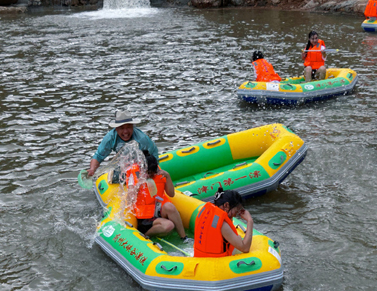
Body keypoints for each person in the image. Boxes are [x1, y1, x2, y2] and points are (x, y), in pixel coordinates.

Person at [130, 151, 190, 243]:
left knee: (170, 207)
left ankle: (184, 238)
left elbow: (171, 194)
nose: (151, 175)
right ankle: (146, 235)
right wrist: (138, 185)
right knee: (169, 225)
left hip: (157, 210)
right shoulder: (135, 176)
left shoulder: (159, 174)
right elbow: (129, 198)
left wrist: (168, 176)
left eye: (153, 173)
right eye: (148, 173)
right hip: (144, 217)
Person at [87, 110, 158, 176]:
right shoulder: (110, 138)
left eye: (128, 127)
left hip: (144, 158)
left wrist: (152, 171)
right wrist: (92, 169)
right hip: (125, 161)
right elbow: (99, 156)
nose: (125, 131)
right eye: (122, 128)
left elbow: (152, 154)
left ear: (133, 127)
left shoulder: (142, 139)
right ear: (116, 128)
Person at [194, 188, 254, 257]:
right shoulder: (223, 225)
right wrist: (250, 221)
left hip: (200, 257)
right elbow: (245, 248)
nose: (236, 214)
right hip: (217, 263)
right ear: (226, 205)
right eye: (237, 209)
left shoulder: (206, 213)